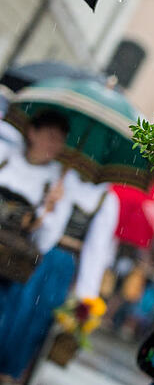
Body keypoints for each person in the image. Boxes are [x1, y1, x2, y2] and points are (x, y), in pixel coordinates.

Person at [0, 110, 74, 381]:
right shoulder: (5, 158)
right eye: (50, 136)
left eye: (60, 140)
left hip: (7, 269)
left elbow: (45, 242)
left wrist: (49, 210)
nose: (55, 145)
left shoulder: (57, 183)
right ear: (32, 132)